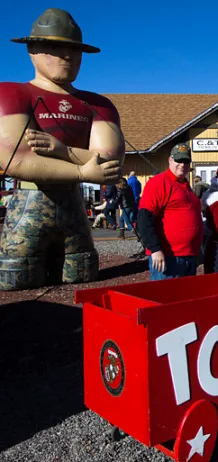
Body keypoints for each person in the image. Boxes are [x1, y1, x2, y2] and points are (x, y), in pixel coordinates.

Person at [0, 8, 124, 290]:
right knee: (18, 282)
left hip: (74, 209)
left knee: (81, 280)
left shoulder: (98, 104)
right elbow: (16, 159)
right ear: (33, 50)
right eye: (54, 48)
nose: (67, 56)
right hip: (28, 207)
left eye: (73, 50)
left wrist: (60, 149)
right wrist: (84, 169)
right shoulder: (12, 93)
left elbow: (110, 164)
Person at [137, 143, 203, 280]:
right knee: (164, 299)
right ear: (170, 160)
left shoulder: (185, 185)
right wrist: (155, 249)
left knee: (186, 299)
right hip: (169, 257)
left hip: (188, 256)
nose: (182, 164)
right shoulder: (158, 183)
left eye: (186, 161)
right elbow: (144, 218)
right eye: (178, 160)